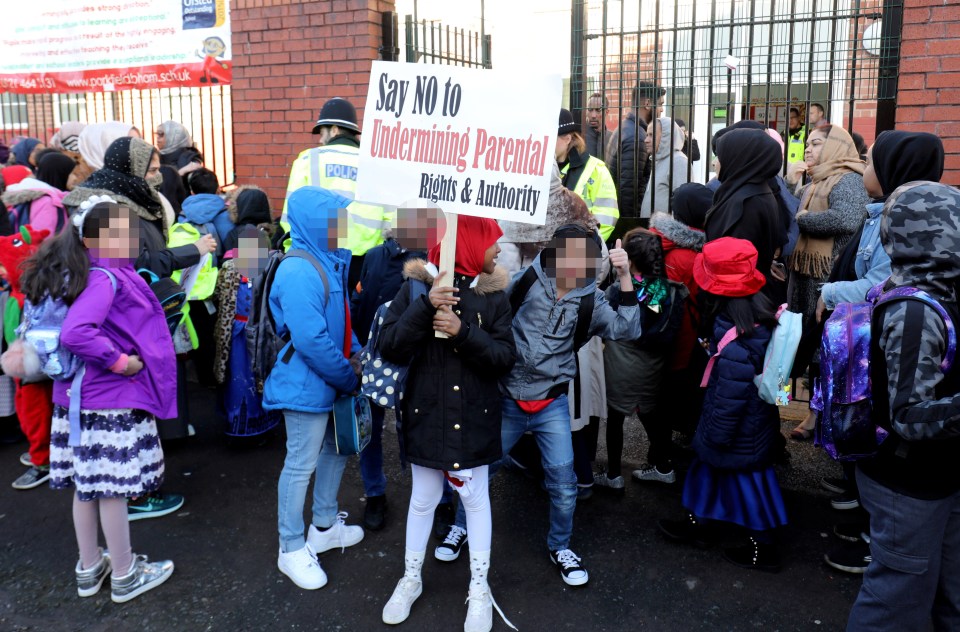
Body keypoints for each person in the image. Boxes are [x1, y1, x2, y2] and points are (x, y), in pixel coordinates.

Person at [439, 224, 640, 587]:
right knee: (479, 471)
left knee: (564, 483)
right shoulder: (528, 281)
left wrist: (625, 276)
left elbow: (628, 330)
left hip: (552, 405)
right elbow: (491, 309)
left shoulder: (591, 299)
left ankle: (560, 546)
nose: (576, 269)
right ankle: (459, 527)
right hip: (508, 399)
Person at [33, 200, 177, 602]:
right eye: (123, 233)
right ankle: (126, 573)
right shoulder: (105, 278)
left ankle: (90, 567)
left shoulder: (84, 272)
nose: (132, 239)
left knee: (87, 488)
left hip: (79, 401)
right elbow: (76, 333)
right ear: (95, 238)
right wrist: (122, 363)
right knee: (112, 490)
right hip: (106, 401)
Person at [378, 215, 516, 631]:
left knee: (475, 499)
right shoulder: (417, 287)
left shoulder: (494, 298)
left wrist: (462, 332)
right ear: (469, 244)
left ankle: (479, 587)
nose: (498, 247)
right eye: (491, 240)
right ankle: (411, 577)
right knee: (423, 498)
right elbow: (390, 347)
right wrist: (426, 305)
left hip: (474, 417)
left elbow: (504, 359)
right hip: (427, 415)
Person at [817, 131, 945, 575]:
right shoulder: (882, 216)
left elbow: (908, 411)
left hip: (913, 472)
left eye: (870, 161)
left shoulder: (914, 291)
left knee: (896, 583)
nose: (862, 167)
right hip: (904, 466)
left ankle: (878, 543)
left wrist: (829, 290)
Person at [846, 182, 960, 631]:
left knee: (947, 590)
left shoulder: (942, 292)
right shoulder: (915, 311)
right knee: (896, 601)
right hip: (908, 484)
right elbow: (909, 416)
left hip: (941, 475)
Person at [658, 237, 788, 571]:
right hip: (755, 424)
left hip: (734, 430)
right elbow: (776, 387)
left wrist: (714, 435)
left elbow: (729, 399)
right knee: (712, 475)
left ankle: (765, 550)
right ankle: (700, 526)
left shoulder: (736, 343)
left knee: (748, 487)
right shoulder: (761, 313)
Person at [266, 186, 365, 591]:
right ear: (315, 222)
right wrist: (349, 374)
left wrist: (355, 354)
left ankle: (323, 527)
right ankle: (290, 549)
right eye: (335, 217)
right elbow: (310, 340)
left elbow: (340, 322)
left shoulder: (325, 258)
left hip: (325, 379)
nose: (344, 224)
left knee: (334, 451)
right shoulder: (299, 268)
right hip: (308, 385)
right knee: (300, 464)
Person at [349, 208, 435, 532]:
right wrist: (360, 349)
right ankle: (375, 494)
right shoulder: (373, 257)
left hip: (421, 362)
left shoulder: (436, 260)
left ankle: (439, 502)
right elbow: (360, 301)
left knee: (424, 432)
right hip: (376, 357)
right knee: (370, 430)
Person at [787, 125, 868, 441]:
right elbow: (791, 214)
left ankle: (819, 416)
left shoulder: (849, 179)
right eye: (807, 144)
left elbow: (844, 219)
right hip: (808, 278)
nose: (808, 149)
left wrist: (801, 219)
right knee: (812, 348)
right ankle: (816, 413)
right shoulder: (813, 183)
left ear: (836, 147)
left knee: (826, 351)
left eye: (816, 143)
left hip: (831, 282)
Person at [596, 228, 685, 490]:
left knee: (615, 417)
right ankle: (663, 466)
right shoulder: (664, 289)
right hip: (653, 365)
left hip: (621, 363)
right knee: (650, 414)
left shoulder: (620, 289)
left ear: (629, 259)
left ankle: (613, 474)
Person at [284, 97, 393, 290]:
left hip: (320, 258)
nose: (319, 139)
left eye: (322, 132)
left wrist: (290, 254)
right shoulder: (377, 165)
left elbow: (291, 214)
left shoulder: (309, 159)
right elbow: (391, 219)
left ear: (334, 129)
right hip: (364, 263)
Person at [648, 183, 708, 446]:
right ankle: (664, 455)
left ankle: (663, 449)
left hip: (656, 334)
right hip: (685, 334)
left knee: (661, 390)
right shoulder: (693, 255)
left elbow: (653, 298)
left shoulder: (657, 242)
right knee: (680, 389)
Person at [213, 224, 282, 439]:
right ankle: (238, 423)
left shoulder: (270, 270)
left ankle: (260, 422)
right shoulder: (230, 269)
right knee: (238, 378)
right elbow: (219, 295)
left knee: (259, 376)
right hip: (235, 335)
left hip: (260, 334)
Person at [705, 129, 785, 279]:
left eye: (720, 156)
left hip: (736, 294)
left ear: (738, 159)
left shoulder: (748, 201)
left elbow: (736, 266)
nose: (714, 163)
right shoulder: (745, 193)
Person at [606, 82, 665, 224]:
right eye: (660, 104)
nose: (661, 110)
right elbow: (628, 192)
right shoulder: (637, 137)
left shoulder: (625, 128)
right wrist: (631, 228)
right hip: (626, 221)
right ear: (648, 103)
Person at [557, 109, 620, 241]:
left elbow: (606, 219)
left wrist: (584, 247)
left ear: (567, 139)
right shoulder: (542, 169)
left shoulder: (597, 170)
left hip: (579, 252)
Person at [1, 151, 73, 234]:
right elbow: (44, 239)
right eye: (71, 174)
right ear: (61, 175)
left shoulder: (23, 191)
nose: (74, 179)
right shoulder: (49, 203)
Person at [640, 116, 690, 218]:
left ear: (666, 136)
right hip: (654, 231)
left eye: (651, 135)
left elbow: (683, 205)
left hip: (666, 232)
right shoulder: (660, 160)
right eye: (646, 135)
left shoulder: (679, 161)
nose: (646, 140)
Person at [584, 92, 612, 160]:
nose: (593, 115)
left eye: (598, 110)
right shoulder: (579, 137)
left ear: (607, 112)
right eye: (590, 109)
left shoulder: (613, 138)